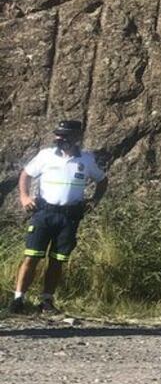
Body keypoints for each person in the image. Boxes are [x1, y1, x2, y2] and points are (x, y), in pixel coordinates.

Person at [8, 120, 108, 314]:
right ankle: (18, 300)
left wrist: (94, 200)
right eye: (58, 135)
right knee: (31, 257)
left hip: (69, 218)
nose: (59, 138)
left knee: (57, 260)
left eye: (64, 135)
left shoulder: (86, 159)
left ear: (76, 137)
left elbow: (102, 180)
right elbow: (26, 175)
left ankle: (46, 301)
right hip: (44, 214)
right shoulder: (45, 155)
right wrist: (24, 196)